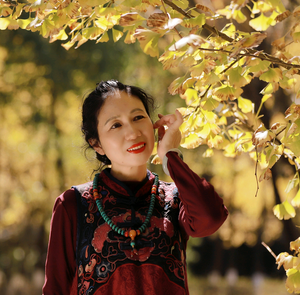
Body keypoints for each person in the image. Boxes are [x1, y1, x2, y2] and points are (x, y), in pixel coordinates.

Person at [42, 80, 228, 295]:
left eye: (138, 118)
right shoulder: (73, 204)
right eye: (116, 125)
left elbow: (211, 218)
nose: (133, 132)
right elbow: (55, 289)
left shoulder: (174, 199)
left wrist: (171, 156)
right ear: (96, 143)